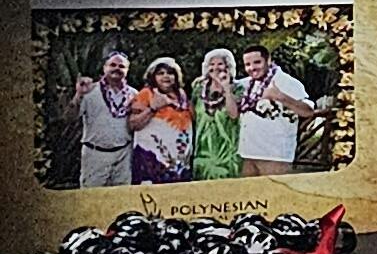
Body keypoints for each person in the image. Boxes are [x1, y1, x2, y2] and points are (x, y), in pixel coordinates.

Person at [234, 43, 320, 170]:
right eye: (247, 64)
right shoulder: (246, 84)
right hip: (247, 154)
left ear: (268, 60)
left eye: (257, 62)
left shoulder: (287, 82)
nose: (252, 68)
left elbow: (308, 111)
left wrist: (280, 96)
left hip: (275, 155)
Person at [70, 45, 136, 188]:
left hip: (123, 155)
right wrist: (78, 94)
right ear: (104, 68)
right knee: (92, 197)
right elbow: (71, 117)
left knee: (121, 197)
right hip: (95, 155)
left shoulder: (133, 94)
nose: (117, 68)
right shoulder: (89, 91)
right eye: (113, 65)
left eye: (121, 66)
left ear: (127, 71)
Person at [127, 54, 194, 183]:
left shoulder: (182, 95)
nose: (166, 76)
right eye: (160, 73)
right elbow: (133, 125)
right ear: (153, 76)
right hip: (152, 161)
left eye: (170, 73)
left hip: (179, 164)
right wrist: (153, 108)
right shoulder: (146, 93)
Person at [191, 45, 242, 181]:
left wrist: (226, 88)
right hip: (202, 151)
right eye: (211, 64)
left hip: (226, 151)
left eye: (220, 64)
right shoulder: (198, 88)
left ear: (228, 66)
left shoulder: (237, 88)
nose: (215, 67)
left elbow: (233, 115)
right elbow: (193, 116)